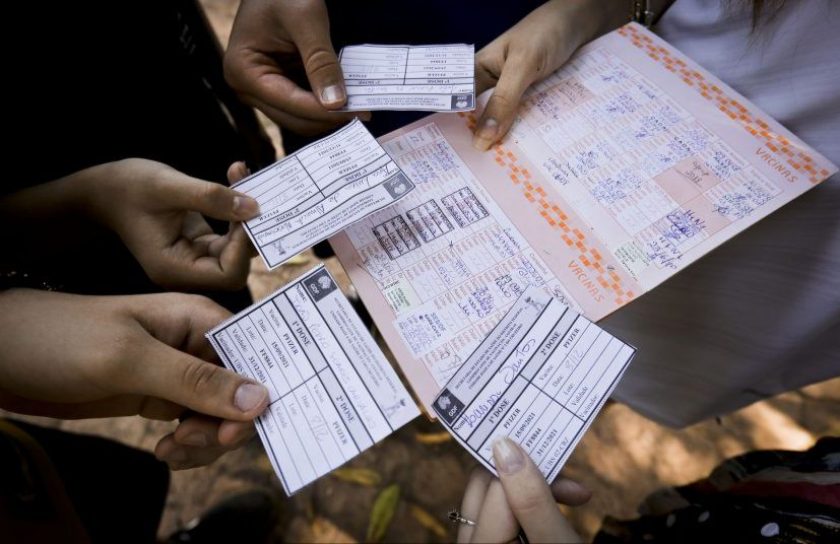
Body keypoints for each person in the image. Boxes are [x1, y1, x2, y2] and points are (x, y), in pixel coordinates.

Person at [225, 0, 840, 428]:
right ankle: (422, 349)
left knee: (604, 335)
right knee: (404, 249)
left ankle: (473, 377)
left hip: (675, 163)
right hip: (574, 80)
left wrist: (585, 12)